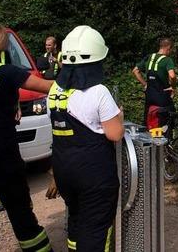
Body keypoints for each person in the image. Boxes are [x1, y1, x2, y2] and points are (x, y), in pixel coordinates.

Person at [0, 23, 54, 252]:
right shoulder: (8, 72)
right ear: (4, 45)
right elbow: (49, 87)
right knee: (21, 214)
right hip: (4, 154)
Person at [48, 25, 124, 251]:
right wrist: (119, 114)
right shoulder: (98, 91)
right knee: (96, 229)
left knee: (76, 218)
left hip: (65, 172)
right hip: (94, 176)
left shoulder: (56, 90)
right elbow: (115, 133)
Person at [132, 38, 177, 129]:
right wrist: (172, 87)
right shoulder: (167, 60)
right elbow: (172, 76)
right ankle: (166, 139)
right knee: (168, 118)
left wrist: (145, 84)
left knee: (149, 118)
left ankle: (148, 136)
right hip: (162, 95)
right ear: (168, 48)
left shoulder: (149, 57)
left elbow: (135, 71)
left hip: (150, 94)